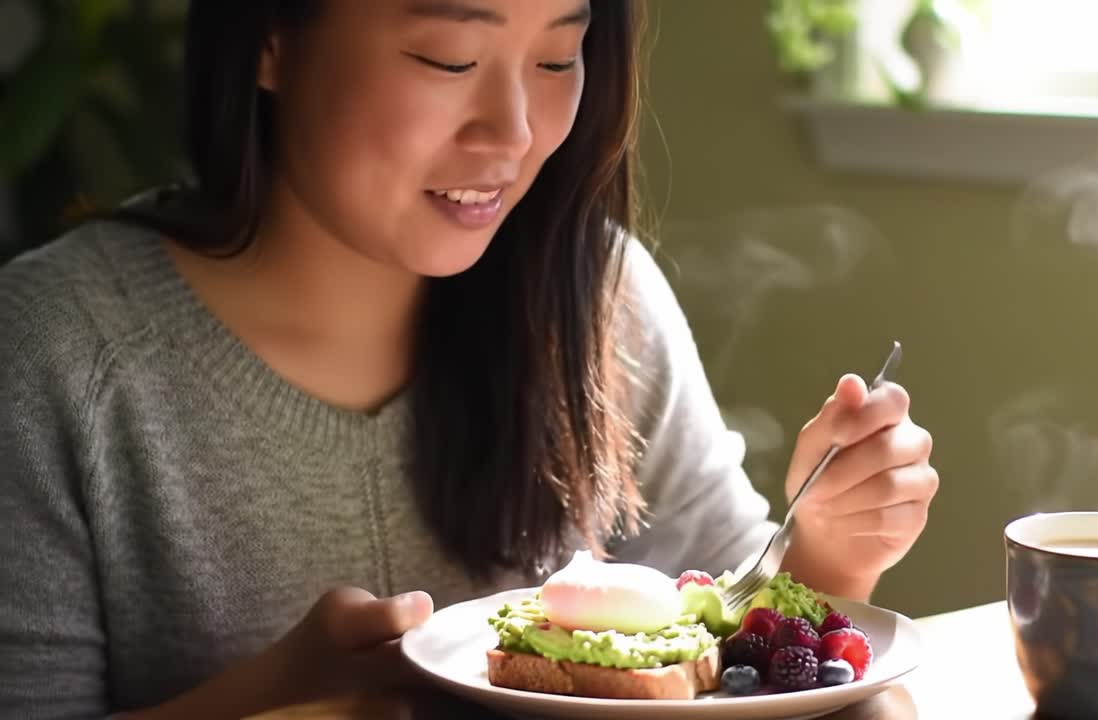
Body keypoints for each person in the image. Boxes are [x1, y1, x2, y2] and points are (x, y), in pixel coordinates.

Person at [0, 1, 939, 718]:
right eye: (448, 57)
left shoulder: (594, 294)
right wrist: (283, 696)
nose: (515, 132)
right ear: (272, 37)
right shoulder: (54, 353)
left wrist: (827, 554)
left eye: (556, 57)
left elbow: (729, 656)